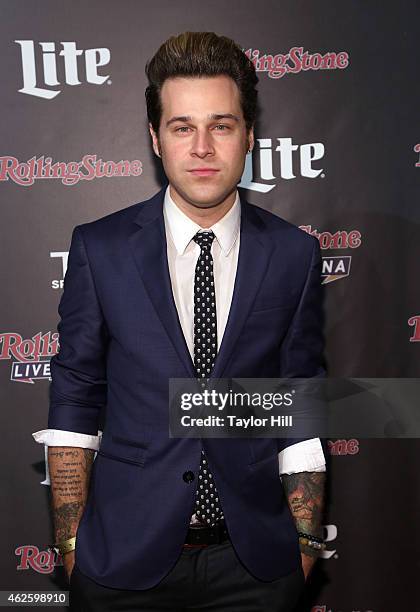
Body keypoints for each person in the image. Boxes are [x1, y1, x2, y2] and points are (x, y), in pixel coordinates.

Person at [33, 31, 327, 611]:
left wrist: (306, 543)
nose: (202, 148)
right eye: (182, 126)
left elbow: (301, 401)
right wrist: (70, 543)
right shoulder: (101, 248)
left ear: (248, 137)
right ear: (155, 138)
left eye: (220, 125)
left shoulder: (293, 253)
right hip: (122, 564)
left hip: (257, 567)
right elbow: (75, 398)